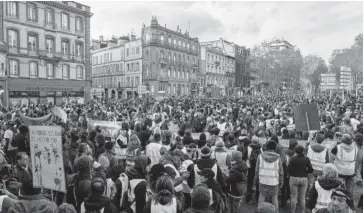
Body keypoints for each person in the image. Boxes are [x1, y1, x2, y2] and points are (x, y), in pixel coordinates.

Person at [255, 140, 283, 210]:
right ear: (275, 148)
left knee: (261, 196)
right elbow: (281, 172)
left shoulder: (260, 156)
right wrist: (281, 182)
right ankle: (275, 211)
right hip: (274, 182)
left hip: (263, 180)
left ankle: (260, 211)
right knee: (274, 197)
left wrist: (256, 179)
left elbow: (257, 170)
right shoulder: (278, 158)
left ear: (266, 147)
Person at [287, 145, 313, 213]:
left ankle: (292, 211)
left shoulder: (292, 159)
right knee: (302, 197)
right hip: (304, 178)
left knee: (293, 197)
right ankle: (302, 211)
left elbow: (288, 169)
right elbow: (311, 170)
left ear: (295, 151)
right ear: (303, 151)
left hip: (293, 178)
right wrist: (305, 170)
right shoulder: (307, 159)